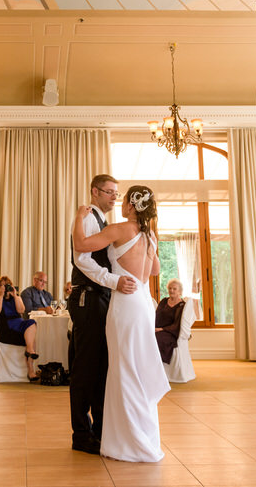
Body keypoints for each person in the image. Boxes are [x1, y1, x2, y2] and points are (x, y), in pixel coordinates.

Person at [73, 185, 168, 463]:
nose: (120, 202)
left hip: (125, 303)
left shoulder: (120, 228)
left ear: (130, 205)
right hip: (143, 302)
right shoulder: (150, 235)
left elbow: (81, 246)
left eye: (123, 199)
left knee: (124, 369)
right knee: (137, 367)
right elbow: (155, 270)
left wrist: (79, 217)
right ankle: (143, 436)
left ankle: (128, 442)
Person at [67, 174, 137, 456]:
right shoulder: (86, 217)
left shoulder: (104, 222)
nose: (113, 197)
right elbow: (81, 259)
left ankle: (98, 431)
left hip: (102, 298)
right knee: (86, 369)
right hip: (88, 298)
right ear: (94, 191)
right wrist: (114, 281)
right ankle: (82, 435)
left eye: (116, 194)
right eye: (108, 192)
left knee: (100, 368)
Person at [0, 275, 39, 381]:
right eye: (2, 285)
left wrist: (16, 296)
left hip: (19, 325)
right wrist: (1, 296)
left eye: (7, 285)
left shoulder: (15, 297)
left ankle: (29, 353)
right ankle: (31, 371)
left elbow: (21, 310)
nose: (5, 288)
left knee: (31, 322)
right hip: (7, 330)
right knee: (31, 341)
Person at [155, 279, 185, 365]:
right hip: (158, 329)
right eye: (170, 288)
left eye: (174, 289)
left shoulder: (181, 305)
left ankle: (158, 366)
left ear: (180, 291)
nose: (171, 290)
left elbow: (177, 324)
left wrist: (161, 329)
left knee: (157, 339)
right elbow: (156, 316)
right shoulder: (164, 301)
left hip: (170, 333)